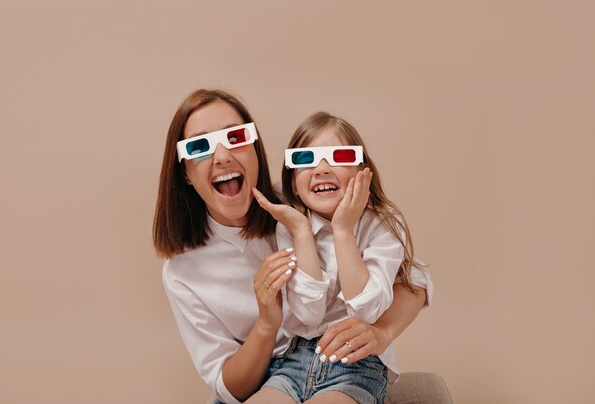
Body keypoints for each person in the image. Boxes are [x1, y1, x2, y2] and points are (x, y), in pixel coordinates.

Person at [153, 89, 433, 404]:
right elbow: (229, 387)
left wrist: (382, 332)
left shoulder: (303, 206)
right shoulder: (182, 271)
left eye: (235, 137)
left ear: (254, 149)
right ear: (185, 173)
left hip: (347, 367)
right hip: (276, 376)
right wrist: (266, 324)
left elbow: (414, 280)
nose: (222, 156)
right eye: (199, 147)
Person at [250, 112, 425, 404]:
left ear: (362, 172)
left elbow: (365, 312)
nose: (321, 169)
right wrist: (303, 233)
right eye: (305, 159)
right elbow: (307, 314)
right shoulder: (291, 226)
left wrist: (343, 230)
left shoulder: (383, 223)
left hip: (356, 365)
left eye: (338, 156)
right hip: (294, 362)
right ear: (293, 184)